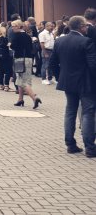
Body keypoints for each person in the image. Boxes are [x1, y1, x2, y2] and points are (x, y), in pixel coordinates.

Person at [50, 16, 96, 156]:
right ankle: (90, 147)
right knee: (88, 113)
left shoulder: (60, 41)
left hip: (68, 82)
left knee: (70, 111)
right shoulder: (86, 41)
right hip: (85, 83)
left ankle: (70, 144)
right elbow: (93, 65)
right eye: (86, 26)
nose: (87, 28)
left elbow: (53, 63)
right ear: (81, 27)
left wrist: (60, 77)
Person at [10, 20, 42, 109]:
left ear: (18, 26)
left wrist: (10, 45)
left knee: (24, 81)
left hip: (20, 59)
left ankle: (34, 98)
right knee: (20, 79)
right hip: (28, 59)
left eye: (13, 26)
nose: (12, 28)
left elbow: (13, 46)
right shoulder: (27, 36)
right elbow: (31, 47)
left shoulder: (16, 36)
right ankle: (20, 99)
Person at [0, 26, 12, 91]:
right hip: (6, 56)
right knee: (7, 71)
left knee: (1, 71)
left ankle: (1, 85)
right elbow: (7, 46)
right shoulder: (5, 39)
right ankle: (6, 85)